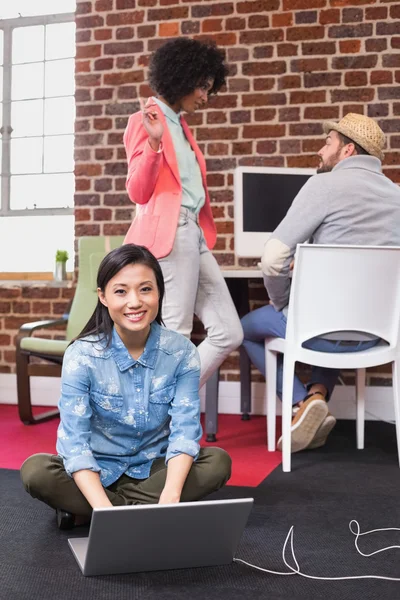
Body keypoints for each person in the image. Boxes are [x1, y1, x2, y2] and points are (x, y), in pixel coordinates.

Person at [20, 245, 231, 529]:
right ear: (103, 296)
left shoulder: (181, 352)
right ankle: (124, 509)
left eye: (145, 289)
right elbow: (74, 443)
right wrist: (107, 512)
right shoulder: (81, 355)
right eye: (121, 291)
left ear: (159, 293)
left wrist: (170, 494)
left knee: (217, 463)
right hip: (97, 469)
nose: (135, 302)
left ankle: (92, 510)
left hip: (154, 468)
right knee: (36, 471)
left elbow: (184, 432)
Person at [241, 113, 400, 454]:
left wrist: (282, 303)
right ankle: (317, 395)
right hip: (376, 335)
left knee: (243, 328)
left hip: (320, 333)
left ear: (348, 150)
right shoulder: (396, 195)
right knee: (332, 320)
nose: (320, 150)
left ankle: (300, 404)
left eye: (328, 142)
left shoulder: (322, 186)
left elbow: (272, 258)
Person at [122, 37, 243, 389]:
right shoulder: (144, 121)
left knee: (228, 331)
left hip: (193, 235)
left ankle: (167, 400)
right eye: (203, 87)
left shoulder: (182, 126)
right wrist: (155, 143)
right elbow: (138, 191)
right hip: (172, 234)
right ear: (181, 77)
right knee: (176, 334)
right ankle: (160, 426)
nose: (206, 96)